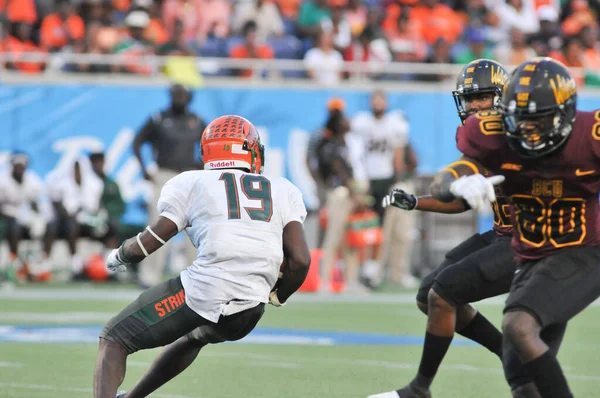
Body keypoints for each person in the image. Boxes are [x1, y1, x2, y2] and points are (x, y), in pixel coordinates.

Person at [95, 115, 311, 398]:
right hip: (251, 307)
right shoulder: (283, 188)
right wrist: (277, 295)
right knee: (192, 338)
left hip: (206, 291)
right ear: (251, 151)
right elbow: (300, 260)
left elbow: (150, 242)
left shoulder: (191, 182)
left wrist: (120, 255)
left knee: (115, 337)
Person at [368, 59, 544, 398]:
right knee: (427, 295)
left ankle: (420, 389)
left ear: (502, 96)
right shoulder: (479, 135)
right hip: (502, 232)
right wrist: (418, 202)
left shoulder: (519, 134)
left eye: (482, 97)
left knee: (443, 294)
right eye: (469, 99)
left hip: (529, 239)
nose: (474, 106)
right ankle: (509, 354)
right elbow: (460, 195)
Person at [432, 58, 600, 398]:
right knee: (521, 381)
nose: (528, 130)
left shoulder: (589, 135)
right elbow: (452, 174)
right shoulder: (493, 135)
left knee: (519, 327)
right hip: (531, 255)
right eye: (519, 120)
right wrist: (453, 184)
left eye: (538, 120)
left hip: (584, 250)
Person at [132, 84, 206, 288]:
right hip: (165, 175)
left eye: (183, 94)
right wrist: (144, 169)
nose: (179, 98)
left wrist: (203, 168)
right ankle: (148, 276)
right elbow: (137, 142)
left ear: (190, 96)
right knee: (157, 225)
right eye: (176, 94)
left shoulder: (197, 121)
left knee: (195, 226)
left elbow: (208, 147)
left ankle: (198, 276)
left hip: (190, 176)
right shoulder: (159, 119)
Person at [0, 151, 51, 282]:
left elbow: (36, 202)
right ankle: (14, 262)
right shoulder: (3, 180)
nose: (19, 170)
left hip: (25, 216)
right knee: (13, 228)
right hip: (7, 216)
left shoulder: (32, 180)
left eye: (22, 167)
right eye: (17, 166)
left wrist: (36, 215)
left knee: (43, 226)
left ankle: (38, 262)